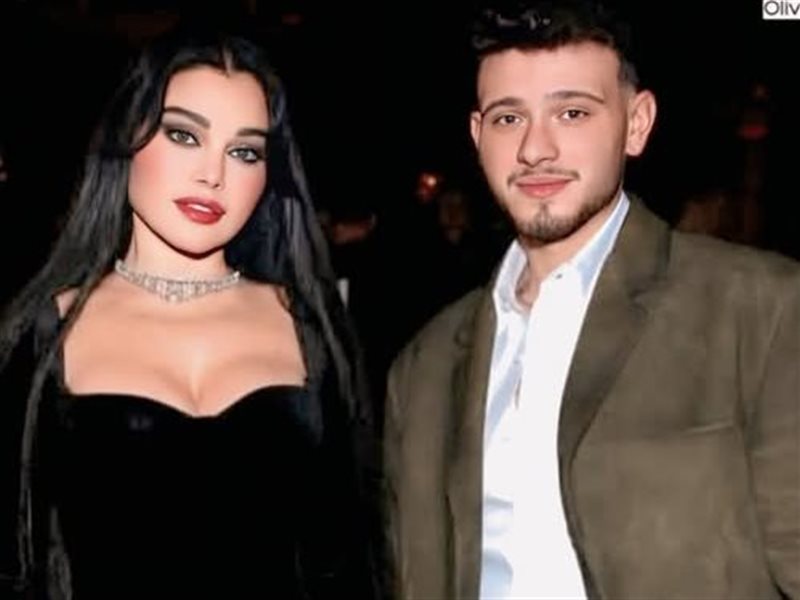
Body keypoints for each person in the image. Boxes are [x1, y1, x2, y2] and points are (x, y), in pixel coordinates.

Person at [384, 1, 800, 599]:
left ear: (637, 123)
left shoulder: (760, 311)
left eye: (572, 112)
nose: (535, 148)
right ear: (477, 136)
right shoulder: (423, 368)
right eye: (508, 118)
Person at [0, 20, 382, 599]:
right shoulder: (44, 334)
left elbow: (348, 561)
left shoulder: (309, 327)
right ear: (128, 137)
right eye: (183, 135)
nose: (213, 174)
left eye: (244, 151)